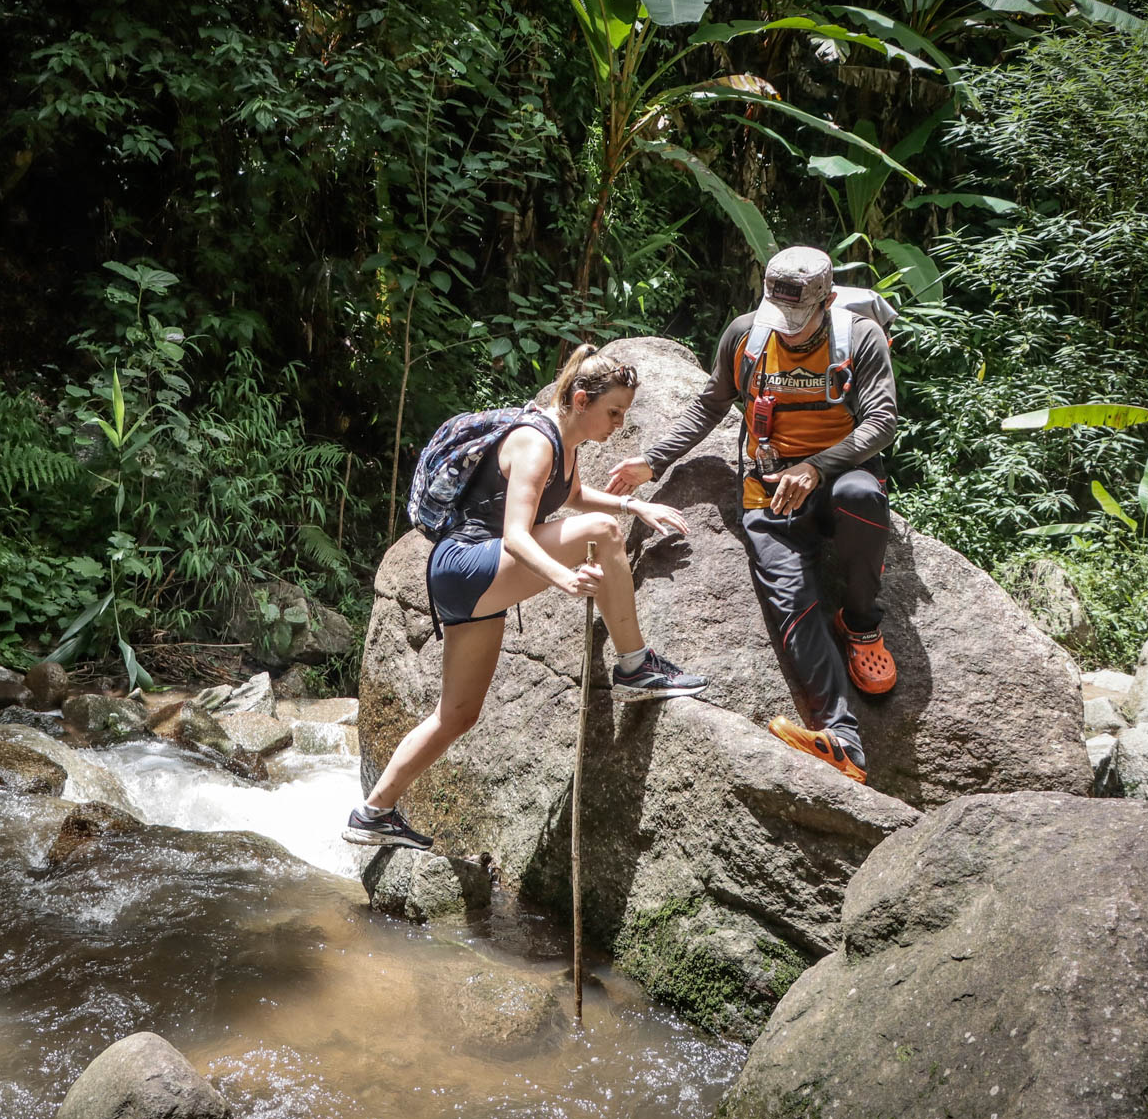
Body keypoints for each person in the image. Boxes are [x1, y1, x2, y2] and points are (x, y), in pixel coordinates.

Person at [344, 345, 709, 850]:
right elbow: (517, 536)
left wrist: (633, 505)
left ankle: (372, 812)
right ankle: (635, 666)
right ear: (580, 400)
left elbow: (571, 496)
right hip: (468, 564)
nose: (619, 424)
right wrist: (563, 578)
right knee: (602, 531)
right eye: (613, 412)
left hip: (467, 578)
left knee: (457, 715)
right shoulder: (537, 442)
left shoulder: (565, 443)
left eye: (623, 413)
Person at [607, 246, 898, 785]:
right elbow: (710, 404)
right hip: (769, 489)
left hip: (842, 474)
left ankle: (860, 624)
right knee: (792, 600)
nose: (786, 328)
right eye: (777, 314)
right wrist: (653, 460)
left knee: (862, 499)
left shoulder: (859, 338)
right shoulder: (746, 336)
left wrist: (815, 467)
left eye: (798, 318)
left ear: (828, 301)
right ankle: (842, 739)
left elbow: (881, 422)